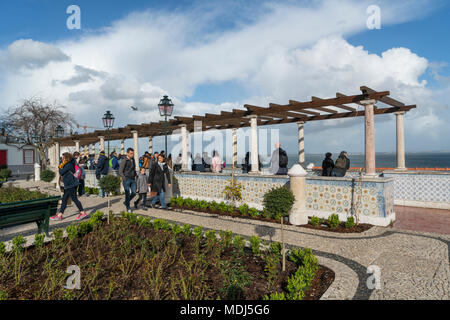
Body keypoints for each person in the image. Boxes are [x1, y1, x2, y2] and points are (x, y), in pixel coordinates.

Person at [51, 153, 88, 221]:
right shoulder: (68, 164)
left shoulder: (68, 165)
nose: (62, 159)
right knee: (64, 199)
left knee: (74, 199)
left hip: (71, 184)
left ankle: (82, 212)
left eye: (63, 158)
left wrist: (59, 167)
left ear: (66, 158)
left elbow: (61, 172)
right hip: (69, 185)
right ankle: (60, 215)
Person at [119, 148, 137, 213]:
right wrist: (124, 178)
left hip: (132, 179)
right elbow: (120, 171)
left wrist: (135, 175)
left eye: (133, 153)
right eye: (131, 153)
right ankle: (128, 207)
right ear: (127, 153)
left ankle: (126, 202)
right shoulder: (124, 160)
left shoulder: (133, 159)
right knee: (127, 193)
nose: (132, 155)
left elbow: (134, 168)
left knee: (134, 193)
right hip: (126, 179)